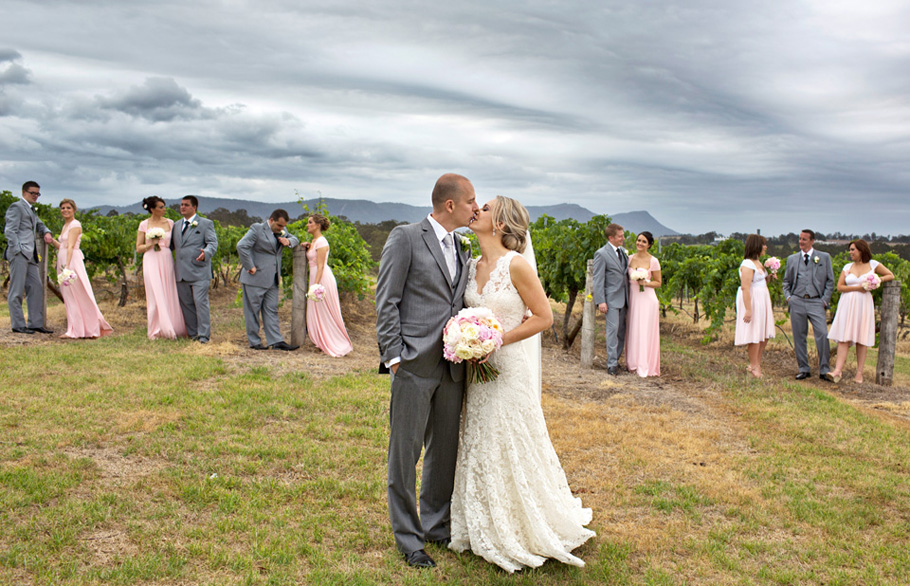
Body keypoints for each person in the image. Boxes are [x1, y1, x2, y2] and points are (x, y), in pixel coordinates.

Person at [449, 195, 595, 572]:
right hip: (476, 371)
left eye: (485, 207)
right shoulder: (471, 265)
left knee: (507, 437)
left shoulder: (516, 266)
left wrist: (496, 340)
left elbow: (544, 317)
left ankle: (520, 522)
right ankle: (482, 518)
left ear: (500, 224)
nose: (476, 209)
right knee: (481, 436)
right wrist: (466, 339)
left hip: (507, 366)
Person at [375, 173, 478, 569]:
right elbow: (387, 299)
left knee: (443, 450)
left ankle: (436, 525)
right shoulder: (405, 237)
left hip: (453, 365)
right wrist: (394, 356)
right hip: (414, 362)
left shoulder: (462, 246)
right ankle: (408, 538)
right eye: (471, 201)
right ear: (450, 205)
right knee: (405, 451)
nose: (475, 207)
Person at [828, 239, 894, 383]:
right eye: (850, 250)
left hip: (863, 304)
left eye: (853, 250)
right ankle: (837, 371)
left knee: (861, 338)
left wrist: (877, 281)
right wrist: (858, 288)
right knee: (843, 337)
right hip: (847, 303)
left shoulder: (873, 264)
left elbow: (890, 275)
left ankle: (859, 374)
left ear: (861, 250)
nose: (850, 252)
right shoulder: (847, 267)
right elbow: (840, 287)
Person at [236, 209, 300, 351]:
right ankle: (254, 342)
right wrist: (250, 265)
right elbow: (241, 246)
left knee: (271, 310)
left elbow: (295, 240)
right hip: (255, 277)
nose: (281, 229)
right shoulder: (257, 229)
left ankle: (276, 341)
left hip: (273, 278)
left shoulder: (282, 230)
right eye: (279, 226)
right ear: (271, 220)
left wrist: (287, 240)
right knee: (252, 311)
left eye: (283, 226)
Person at [51, 199, 113, 339]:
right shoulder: (65, 225)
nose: (65, 210)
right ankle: (75, 327)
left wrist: (67, 267)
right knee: (69, 296)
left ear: (74, 209)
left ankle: (80, 329)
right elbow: (63, 246)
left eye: (68, 208)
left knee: (77, 294)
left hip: (71, 261)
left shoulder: (75, 224)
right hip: (64, 260)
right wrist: (51, 241)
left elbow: (71, 247)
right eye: (62, 208)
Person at [782, 229, 836, 381]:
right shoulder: (792, 259)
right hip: (797, 300)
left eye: (804, 239)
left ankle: (824, 369)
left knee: (822, 334)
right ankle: (803, 369)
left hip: (816, 301)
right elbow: (786, 282)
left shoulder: (823, 258)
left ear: (812, 241)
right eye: (800, 239)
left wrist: (824, 300)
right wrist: (789, 298)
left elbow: (830, 281)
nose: (801, 242)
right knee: (799, 336)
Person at [4, 181, 55, 334]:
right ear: (24, 192)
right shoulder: (17, 207)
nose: (35, 196)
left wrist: (46, 232)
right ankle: (18, 325)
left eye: (38, 194)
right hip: (20, 254)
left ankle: (35, 323)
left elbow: (39, 224)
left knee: (36, 287)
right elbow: (10, 231)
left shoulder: (31, 210)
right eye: (33, 193)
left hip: (31, 256)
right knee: (17, 290)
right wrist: (17, 249)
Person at [137, 196, 186, 340]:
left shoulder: (171, 223)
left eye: (164, 206)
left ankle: (172, 325)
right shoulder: (144, 224)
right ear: (152, 209)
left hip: (166, 258)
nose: (164, 209)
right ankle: (156, 328)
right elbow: (138, 248)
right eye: (161, 207)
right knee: (155, 292)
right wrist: (151, 243)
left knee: (168, 290)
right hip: (150, 258)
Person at [170, 196, 218, 343]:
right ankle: (192, 334)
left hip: (199, 271)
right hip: (181, 272)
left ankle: (204, 335)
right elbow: (172, 246)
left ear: (194, 207)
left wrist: (206, 253)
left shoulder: (205, 224)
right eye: (181, 205)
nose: (182, 207)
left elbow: (212, 243)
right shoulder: (176, 225)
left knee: (200, 302)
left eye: (186, 205)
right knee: (187, 304)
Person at [304, 213, 353, 357]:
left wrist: (316, 286)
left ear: (318, 225)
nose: (307, 225)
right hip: (315, 277)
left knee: (325, 311)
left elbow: (320, 266)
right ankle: (320, 340)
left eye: (310, 222)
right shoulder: (313, 241)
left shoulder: (322, 242)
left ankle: (333, 341)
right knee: (317, 310)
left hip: (321, 278)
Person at [734, 234, 775, 378]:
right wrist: (748, 309)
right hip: (753, 301)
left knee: (763, 333)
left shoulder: (758, 262)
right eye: (763, 244)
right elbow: (745, 287)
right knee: (755, 333)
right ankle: (753, 365)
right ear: (756, 245)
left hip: (762, 299)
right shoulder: (747, 264)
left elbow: (759, 282)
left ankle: (757, 363)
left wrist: (769, 277)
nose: (765, 247)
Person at [592, 223, 630, 374]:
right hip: (611, 299)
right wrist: (601, 300)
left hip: (625, 298)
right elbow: (598, 279)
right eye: (620, 236)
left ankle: (617, 359)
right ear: (611, 237)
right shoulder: (601, 254)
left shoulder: (622, 252)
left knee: (621, 332)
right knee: (612, 331)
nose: (623, 238)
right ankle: (611, 365)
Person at [625, 231, 661, 377]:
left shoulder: (653, 261)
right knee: (633, 328)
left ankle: (645, 364)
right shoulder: (629, 259)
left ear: (650, 245)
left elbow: (658, 283)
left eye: (644, 241)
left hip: (647, 299)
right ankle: (632, 363)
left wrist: (645, 282)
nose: (640, 243)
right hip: (633, 298)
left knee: (645, 330)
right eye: (638, 240)